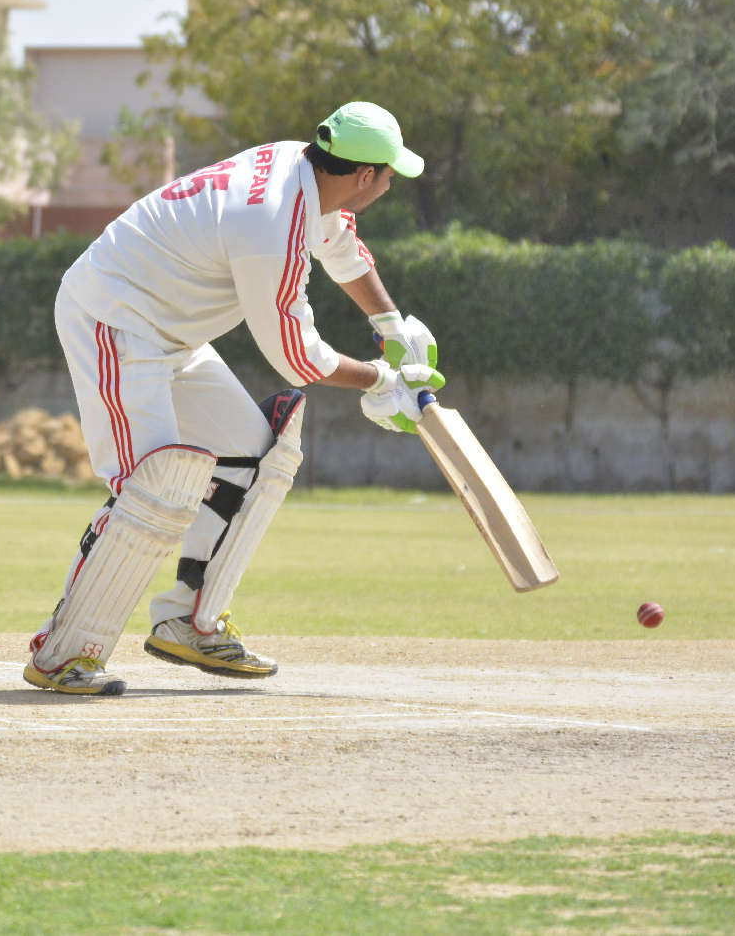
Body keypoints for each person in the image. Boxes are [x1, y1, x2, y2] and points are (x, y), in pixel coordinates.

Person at [25, 102, 445, 696]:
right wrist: (380, 380)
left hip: (170, 330)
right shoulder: (272, 223)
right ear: (363, 175)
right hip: (115, 319)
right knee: (152, 489)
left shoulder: (301, 169)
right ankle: (61, 652)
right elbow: (297, 358)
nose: (389, 184)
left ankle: (190, 621)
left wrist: (391, 327)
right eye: (388, 174)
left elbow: (341, 245)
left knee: (254, 455)